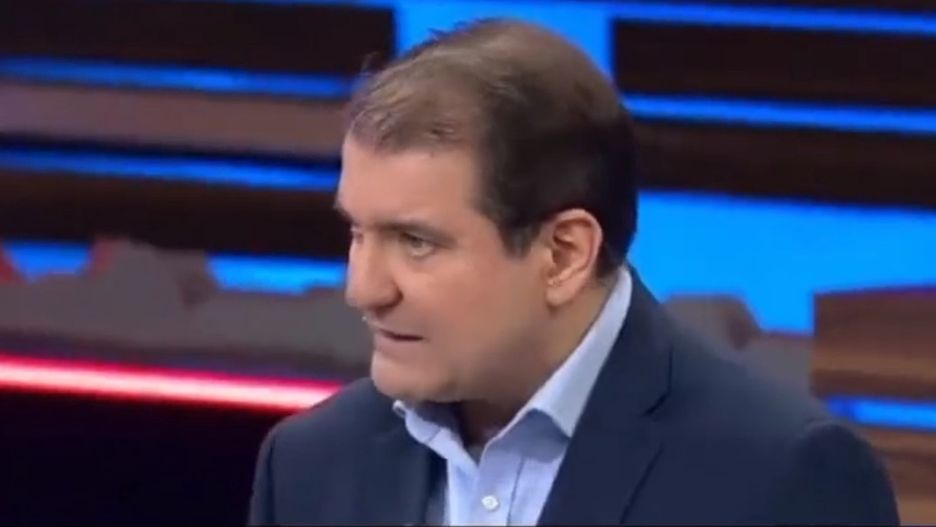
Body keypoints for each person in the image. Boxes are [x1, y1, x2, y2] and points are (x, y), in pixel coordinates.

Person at [248, 18, 899, 526]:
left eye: (415, 242)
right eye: (358, 232)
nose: (363, 288)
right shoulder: (310, 467)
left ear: (563, 254)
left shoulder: (781, 478)